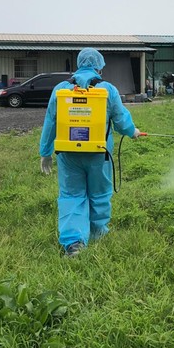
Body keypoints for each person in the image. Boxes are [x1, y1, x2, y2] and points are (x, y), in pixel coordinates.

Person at [40, 47, 141, 257]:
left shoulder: (62, 88)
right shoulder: (108, 89)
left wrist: (45, 152)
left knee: (71, 195)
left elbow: (51, 120)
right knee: (99, 194)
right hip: (99, 153)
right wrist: (133, 131)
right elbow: (121, 120)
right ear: (99, 66)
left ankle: (74, 243)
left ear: (79, 63)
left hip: (68, 154)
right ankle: (97, 233)